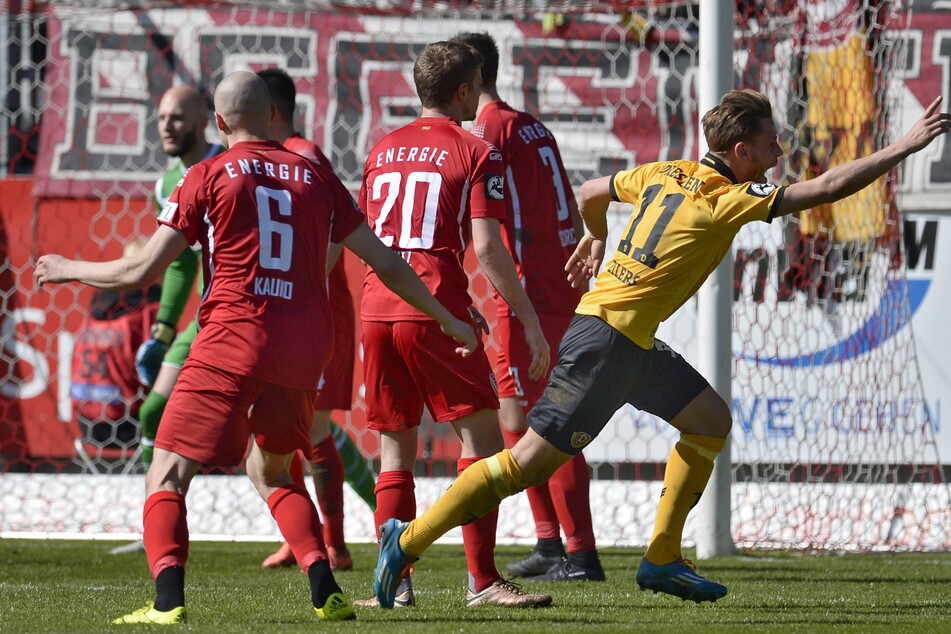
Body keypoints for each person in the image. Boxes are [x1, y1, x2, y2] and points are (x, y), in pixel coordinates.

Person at [371, 90, 951, 608]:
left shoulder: (665, 172)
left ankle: (663, 556)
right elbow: (827, 188)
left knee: (709, 421)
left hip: (630, 342)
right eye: (772, 141)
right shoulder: (726, 198)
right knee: (524, 466)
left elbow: (593, 190)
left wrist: (596, 235)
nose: (780, 148)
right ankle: (408, 541)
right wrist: (906, 145)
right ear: (742, 151)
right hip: (604, 344)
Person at [34, 70, 479, 625]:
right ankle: (324, 587)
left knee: (168, 472)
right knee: (272, 471)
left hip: (231, 341)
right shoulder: (315, 177)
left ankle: (166, 603)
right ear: (273, 115)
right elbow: (386, 260)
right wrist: (448, 317)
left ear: (218, 122)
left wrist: (66, 268)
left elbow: (142, 268)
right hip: (304, 351)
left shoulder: (208, 173)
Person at [356, 40, 552, 609]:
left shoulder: (381, 149)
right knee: (484, 445)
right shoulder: (476, 149)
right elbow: (487, 249)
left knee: (395, 452)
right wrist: (530, 321)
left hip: (377, 308)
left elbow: (375, 242)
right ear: (465, 91)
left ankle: (397, 585)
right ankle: (483, 581)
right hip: (434, 310)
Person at [451, 31, 604, 582]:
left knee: (542, 423)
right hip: (549, 286)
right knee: (521, 418)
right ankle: (550, 545)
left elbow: (495, 226)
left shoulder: (489, 131)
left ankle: (580, 553)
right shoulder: (530, 125)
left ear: (466, 79)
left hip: (527, 294)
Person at [254, 67, 376, 572]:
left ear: (270, 112)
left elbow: (336, 233)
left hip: (319, 313)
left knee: (315, 426)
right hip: (292, 311)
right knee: (289, 429)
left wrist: (300, 285)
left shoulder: (304, 157)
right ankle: (304, 535)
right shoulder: (274, 159)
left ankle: (334, 544)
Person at [108, 85, 224, 557]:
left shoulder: (225, 163)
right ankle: (157, 521)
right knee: (153, 411)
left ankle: (329, 539)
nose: (166, 126)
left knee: (297, 434)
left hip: (242, 313)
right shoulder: (167, 181)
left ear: (203, 119)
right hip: (203, 317)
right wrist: (161, 328)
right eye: (160, 118)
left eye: (177, 117)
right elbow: (178, 263)